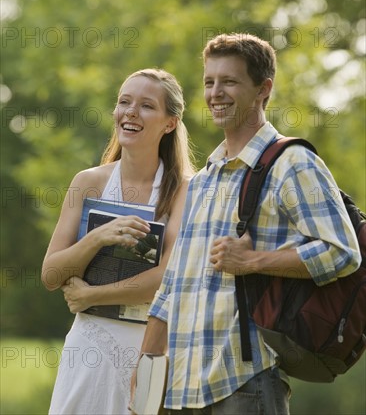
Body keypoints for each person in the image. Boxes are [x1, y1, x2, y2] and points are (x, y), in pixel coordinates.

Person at [133, 33, 362, 415]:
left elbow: (342, 252)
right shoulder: (205, 178)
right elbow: (174, 281)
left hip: (244, 384)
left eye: (230, 81)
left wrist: (253, 261)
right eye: (209, 82)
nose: (216, 93)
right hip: (178, 388)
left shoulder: (292, 164)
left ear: (263, 89)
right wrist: (146, 369)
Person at [42, 68, 195, 415]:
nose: (130, 112)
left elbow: (166, 281)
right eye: (124, 102)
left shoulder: (186, 190)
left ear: (169, 123)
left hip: (150, 349)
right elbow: (51, 275)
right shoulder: (88, 183)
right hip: (87, 348)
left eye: (145, 106)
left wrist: (91, 295)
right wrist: (98, 237)